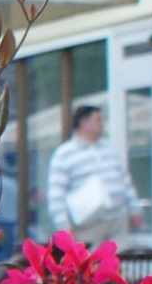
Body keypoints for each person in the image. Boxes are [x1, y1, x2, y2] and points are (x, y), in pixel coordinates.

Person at [44, 102, 134, 248]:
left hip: (116, 221)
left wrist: (133, 207)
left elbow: (124, 181)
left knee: (119, 259)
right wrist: (63, 224)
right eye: (98, 119)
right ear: (84, 123)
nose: (102, 124)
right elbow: (56, 193)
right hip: (88, 225)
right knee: (92, 260)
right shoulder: (64, 154)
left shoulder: (109, 150)